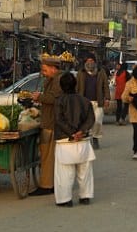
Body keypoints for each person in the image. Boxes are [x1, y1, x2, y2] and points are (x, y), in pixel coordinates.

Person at [54, 72, 96, 207]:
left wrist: (72, 133)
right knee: (85, 172)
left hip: (65, 141)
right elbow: (91, 119)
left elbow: (59, 120)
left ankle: (65, 199)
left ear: (61, 86)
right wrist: (81, 131)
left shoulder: (59, 101)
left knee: (65, 173)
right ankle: (85, 196)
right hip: (82, 141)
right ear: (75, 84)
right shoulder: (84, 100)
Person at [29, 56, 63, 196]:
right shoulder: (52, 80)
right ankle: (52, 183)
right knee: (50, 156)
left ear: (53, 69)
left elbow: (54, 98)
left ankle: (46, 185)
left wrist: (39, 97)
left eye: (45, 70)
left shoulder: (57, 80)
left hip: (51, 122)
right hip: (50, 119)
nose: (43, 73)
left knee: (47, 156)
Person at [76, 55, 110, 150]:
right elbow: (77, 87)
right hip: (84, 102)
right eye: (88, 60)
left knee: (97, 121)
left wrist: (107, 98)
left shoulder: (100, 72)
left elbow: (105, 86)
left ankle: (95, 138)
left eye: (92, 60)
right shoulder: (81, 73)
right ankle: (86, 139)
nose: (90, 62)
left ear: (95, 62)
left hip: (97, 101)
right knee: (85, 122)